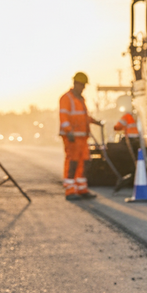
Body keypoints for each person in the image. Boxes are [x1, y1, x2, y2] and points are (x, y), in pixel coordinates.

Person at [59, 72, 101, 200]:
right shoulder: (66, 98)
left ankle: (82, 188)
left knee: (85, 162)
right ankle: (70, 190)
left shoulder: (81, 99)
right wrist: (69, 131)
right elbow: (63, 117)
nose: (83, 88)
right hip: (72, 137)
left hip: (82, 137)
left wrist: (95, 121)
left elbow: (83, 117)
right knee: (73, 162)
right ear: (75, 84)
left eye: (84, 85)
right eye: (82, 85)